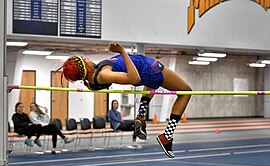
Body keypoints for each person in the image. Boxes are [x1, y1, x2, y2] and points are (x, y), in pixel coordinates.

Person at [56, 42, 192, 158]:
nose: (86, 58)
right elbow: (134, 78)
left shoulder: (93, 82)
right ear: (84, 67)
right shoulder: (103, 74)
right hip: (149, 69)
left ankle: (141, 116)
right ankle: (167, 136)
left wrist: (128, 57)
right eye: (84, 59)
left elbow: (97, 82)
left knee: (152, 84)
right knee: (186, 92)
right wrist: (122, 51)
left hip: (145, 70)